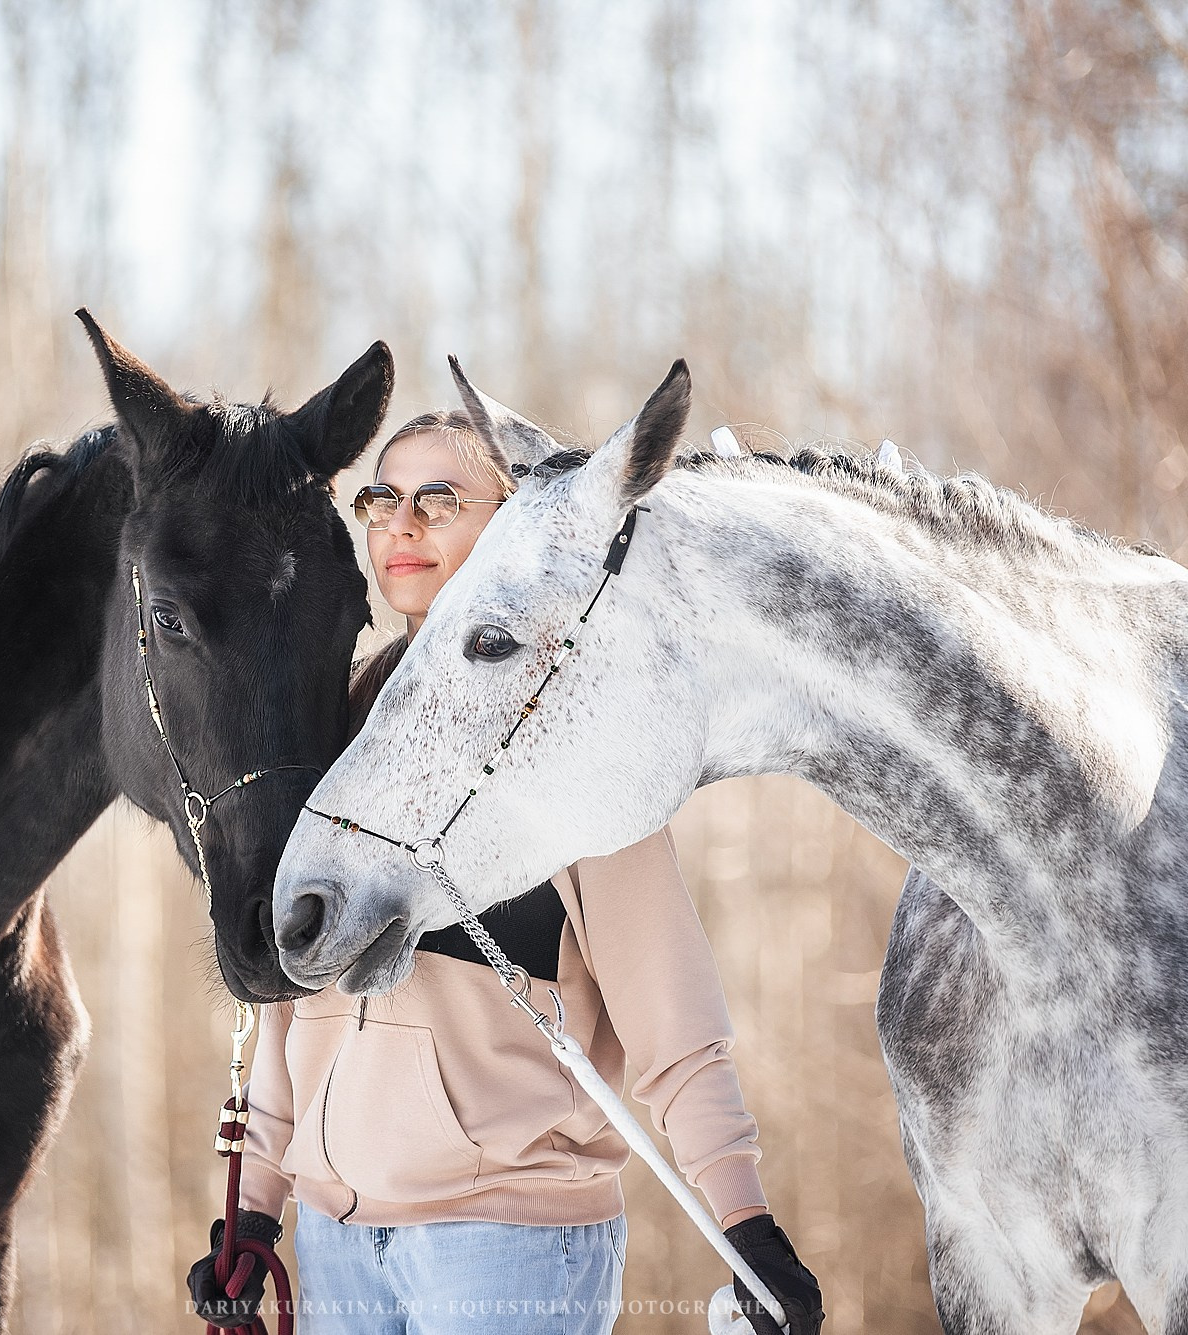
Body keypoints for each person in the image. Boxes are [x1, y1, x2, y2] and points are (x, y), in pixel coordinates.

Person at [187, 409, 823, 1335]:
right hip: (336, 1243)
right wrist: (254, 1211)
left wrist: (744, 1222)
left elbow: (670, 1013)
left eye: (438, 499)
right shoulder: (334, 730)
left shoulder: (566, 733)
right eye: (382, 498)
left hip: (502, 1242)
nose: (401, 524)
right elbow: (296, 1004)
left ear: (512, 521)